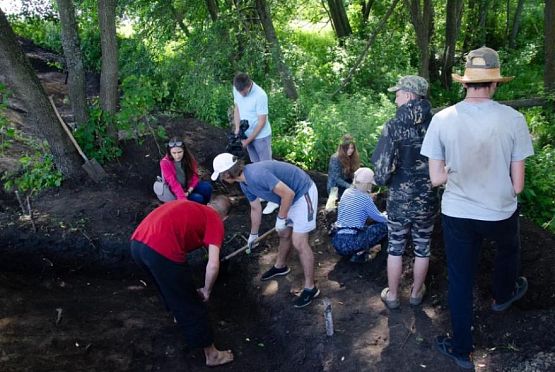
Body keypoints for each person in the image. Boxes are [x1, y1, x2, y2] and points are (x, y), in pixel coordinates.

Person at [420, 47, 534, 370]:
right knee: (508, 247)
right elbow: (518, 186)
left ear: (465, 83)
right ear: (494, 83)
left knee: (460, 279)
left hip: (457, 213)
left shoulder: (442, 119)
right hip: (499, 211)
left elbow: (436, 178)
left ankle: (461, 349)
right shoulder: (513, 119)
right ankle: (502, 296)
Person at [130, 196, 234, 367]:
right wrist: (207, 290)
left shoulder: (191, 206)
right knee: (190, 301)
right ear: (225, 217)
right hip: (161, 249)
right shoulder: (215, 219)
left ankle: (179, 317)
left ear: (208, 204)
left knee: (167, 287)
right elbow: (213, 264)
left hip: (137, 244)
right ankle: (212, 355)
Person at [211, 153, 319, 308]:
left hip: (302, 193)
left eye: (221, 175)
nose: (221, 179)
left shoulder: (256, 175)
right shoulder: (244, 183)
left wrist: (281, 218)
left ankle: (311, 288)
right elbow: (255, 208)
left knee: (299, 242)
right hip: (289, 197)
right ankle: (280, 266)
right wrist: (253, 234)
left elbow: (289, 193)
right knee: (284, 233)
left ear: (228, 173)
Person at [371, 75, 439, 310]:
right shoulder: (436, 124)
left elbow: (380, 173)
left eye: (398, 93)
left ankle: (392, 295)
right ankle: (416, 292)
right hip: (428, 199)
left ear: (409, 95)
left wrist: (388, 180)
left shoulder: (393, 125)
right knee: (423, 247)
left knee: (395, 247)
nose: (395, 98)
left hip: (399, 200)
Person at [232, 72, 278, 215]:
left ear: (249, 84)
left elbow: (262, 121)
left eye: (243, 91)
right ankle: (264, 193)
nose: (241, 94)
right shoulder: (237, 89)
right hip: (246, 134)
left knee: (266, 166)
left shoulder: (260, 95)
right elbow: (237, 108)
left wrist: (248, 141)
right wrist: (238, 129)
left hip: (261, 136)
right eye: (239, 91)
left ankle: (275, 199)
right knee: (256, 165)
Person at [331, 167, 388, 263]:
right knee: (384, 226)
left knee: (363, 228)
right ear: (366, 184)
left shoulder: (346, 192)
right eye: (370, 184)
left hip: (336, 240)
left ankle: (358, 253)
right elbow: (379, 218)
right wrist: (387, 216)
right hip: (351, 242)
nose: (371, 187)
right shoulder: (365, 198)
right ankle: (359, 253)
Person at [160, 137, 212, 204]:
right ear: (170, 152)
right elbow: (173, 183)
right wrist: (183, 199)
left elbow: (194, 175)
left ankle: (204, 208)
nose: (177, 156)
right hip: (176, 192)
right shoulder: (165, 163)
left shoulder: (188, 158)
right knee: (199, 198)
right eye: (174, 153)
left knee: (207, 188)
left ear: (184, 150)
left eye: (179, 152)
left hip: (188, 187)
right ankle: (197, 210)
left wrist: (190, 190)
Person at [327, 134, 361, 198]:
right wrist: (350, 186)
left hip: (347, 183)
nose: (350, 150)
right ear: (343, 148)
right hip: (335, 187)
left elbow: (354, 173)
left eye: (352, 148)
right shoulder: (335, 158)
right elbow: (336, 178)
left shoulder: (353, 157)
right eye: (348, 148)